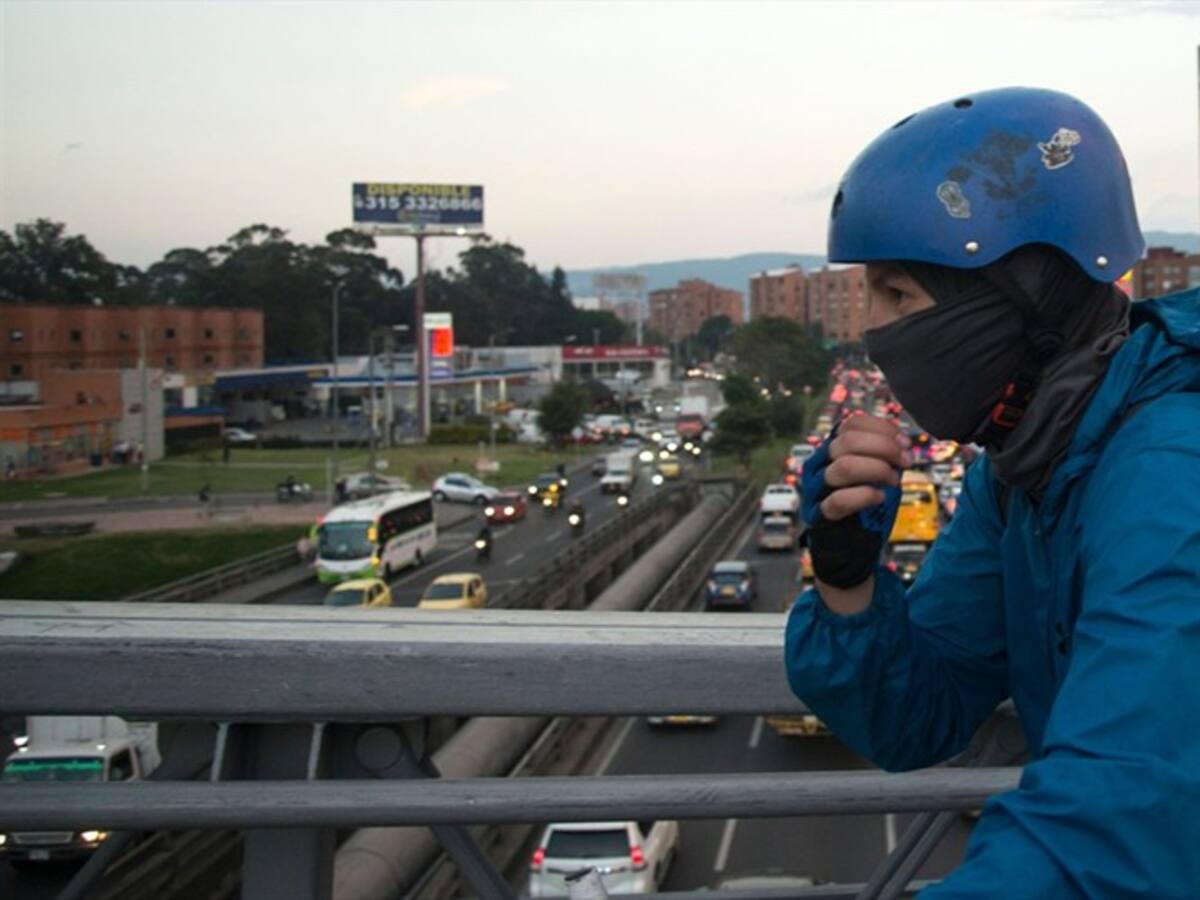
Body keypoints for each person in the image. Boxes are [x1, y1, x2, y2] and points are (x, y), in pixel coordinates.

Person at [785, 87, 1200, 897]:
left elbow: (1124, 823)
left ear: (1025, 301)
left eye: (896, 295)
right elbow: (918, 717)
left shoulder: (1169, 467)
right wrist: (844, 575)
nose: (867, 328)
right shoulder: (1022, 467)